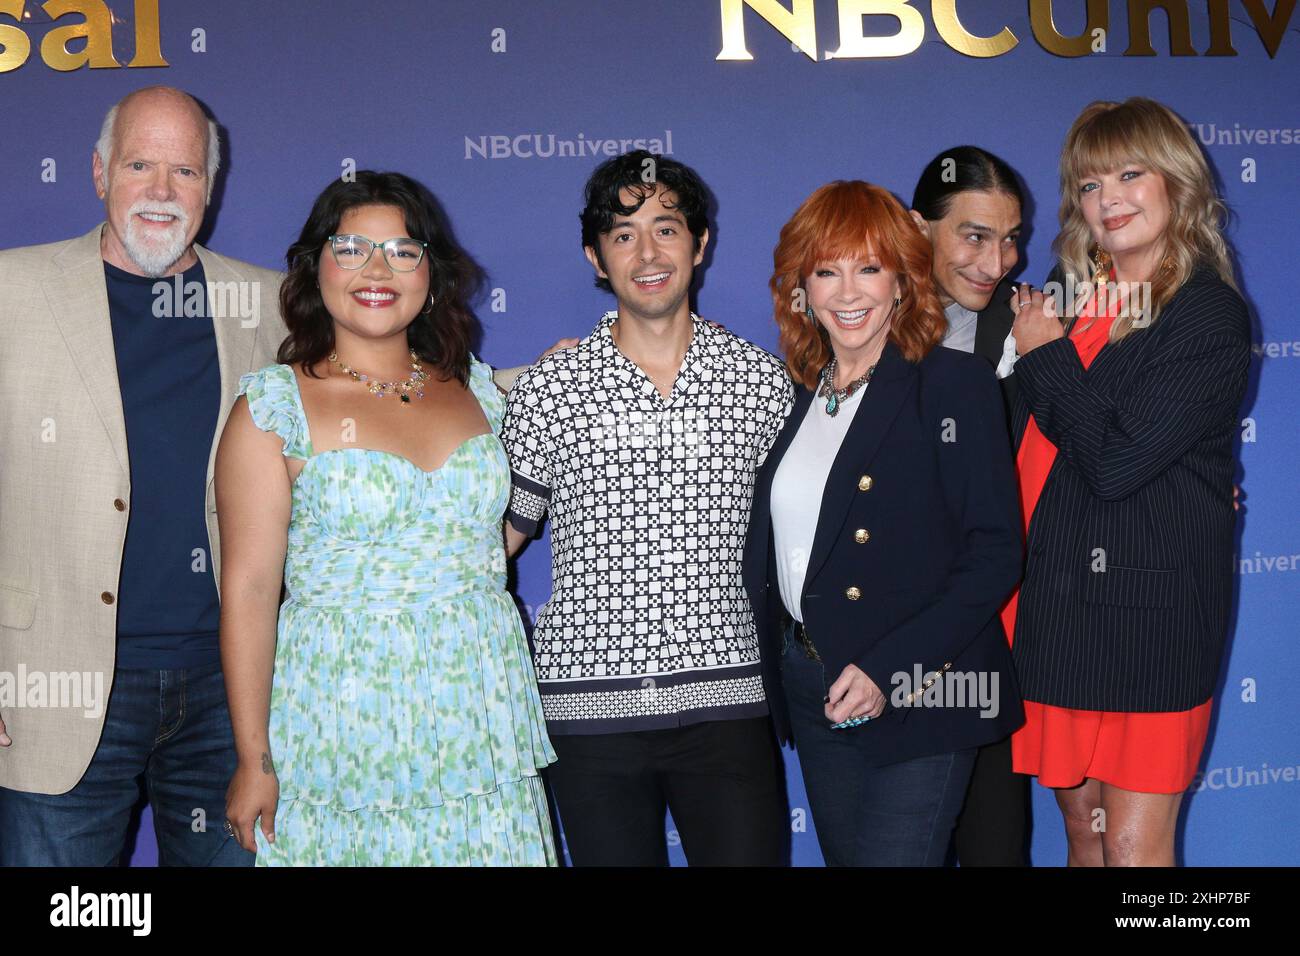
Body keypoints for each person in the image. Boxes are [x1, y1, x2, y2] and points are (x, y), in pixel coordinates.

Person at [216, 171, 557, 866]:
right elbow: (250, 593)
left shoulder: (478, 393)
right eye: (352, 249)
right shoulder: (273, 410)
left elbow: (483, 544)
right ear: (317, 270)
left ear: (432, 276)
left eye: (403, 251)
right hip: (341, 727)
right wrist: (256, 759)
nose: (378, 270)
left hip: (477, 722)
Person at [0, 86, 287, 866]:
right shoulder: (10, 291)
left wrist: (538, 380)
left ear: (211, 187)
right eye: (139, 165)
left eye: (185, 172)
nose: (162, 192)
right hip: (48, 684)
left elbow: (388, 387)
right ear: (98, 174)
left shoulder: (267, 303)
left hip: (232, 693)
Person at [500, 151, 794, 866]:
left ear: (700, 244)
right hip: (586, 716)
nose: (647, 252)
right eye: (623, 234)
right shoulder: (551, 389)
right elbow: (498, 537)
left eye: (666, 229)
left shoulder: (761, 382)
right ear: (596, 259)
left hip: (727, 703)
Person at [744, 180, 1025, 866]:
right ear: (800, 288)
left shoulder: (952, 384)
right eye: (826, 270)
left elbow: (994, 555)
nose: (847, 292)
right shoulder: (801, 394)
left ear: (903, 281)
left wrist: (888, 670)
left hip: (921, 690)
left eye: (869, 268)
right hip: (813, 685)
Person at [1005, 97, 1251, 866]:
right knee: (1085, 834)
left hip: (1148, 618)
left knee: (1137, 852)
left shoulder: (1207, 312)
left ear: (1176, 181)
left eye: (1128, 174)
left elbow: (1114, 462)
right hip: (1051, 605)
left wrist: (1043, 353)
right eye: (1087, 183)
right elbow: (1015, 432)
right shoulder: (1069, 291)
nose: (1106, 198)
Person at [910, 146, 1031, 866]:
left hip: (985, 637)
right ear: (918, 227)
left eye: (1011, 238)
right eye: (975, 236)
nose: (998, 260)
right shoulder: (857, 321)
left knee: (993, 845)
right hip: (883, 639)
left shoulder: (1032, 323)